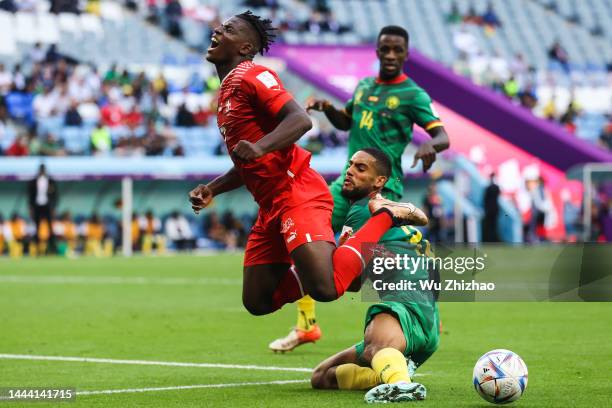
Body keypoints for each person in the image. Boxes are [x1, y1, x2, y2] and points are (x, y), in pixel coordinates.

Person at [189, 12, 428, 318]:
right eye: (220, 27)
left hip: (296, 193)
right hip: (270, 204)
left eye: (228, 30)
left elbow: (301, 120)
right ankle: (341, 262)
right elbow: (250, 162)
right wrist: (212, 188)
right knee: (258, 301)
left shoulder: (253, 75)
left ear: (246, 47)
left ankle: (385, 215)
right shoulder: (225, 93)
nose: (217, 32)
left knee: (326, 288)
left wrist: (260, 146)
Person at [270, 25, 449, 352]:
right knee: (308, 243)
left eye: (398, 50)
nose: (391, 55)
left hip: (381, 192)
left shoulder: (414, 95)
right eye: (385, 49)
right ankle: (307, 325)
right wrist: (329, 109)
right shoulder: (365, 86)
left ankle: (422, 310)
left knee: (370, 262)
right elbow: (346, 121)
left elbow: (442, 136)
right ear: (377, 51)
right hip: (344, 184)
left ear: (406, 54)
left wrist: (430, 148)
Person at [310, 149, 439, 403]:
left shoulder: (365, 210)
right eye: (350, 165)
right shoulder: (381, 212)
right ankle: (390, 374)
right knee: (323, 376)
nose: (349, 171)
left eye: (361, 168)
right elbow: (355, 283)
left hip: (403, 306)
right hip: (421, 317)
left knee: (376, 349)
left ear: (379, 181)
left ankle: (401, 384)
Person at [27, 164, 58, 254]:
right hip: (37, 206)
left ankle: (52, 248)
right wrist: (31, 208)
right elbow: (30, 196)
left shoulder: (51, 181)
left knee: (50, 228)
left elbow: (55, 196)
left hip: (47, 206)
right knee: (36, 228)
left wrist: (53, 208)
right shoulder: (33, 182)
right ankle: (37, 248)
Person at [482, 173, 501, 242]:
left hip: (489, 210)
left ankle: (490, 239)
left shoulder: (488, 188)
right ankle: (493, 239)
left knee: (490, 225)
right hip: (495, 209)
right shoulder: (496, 187)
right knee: (494, 225)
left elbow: (485, 199)